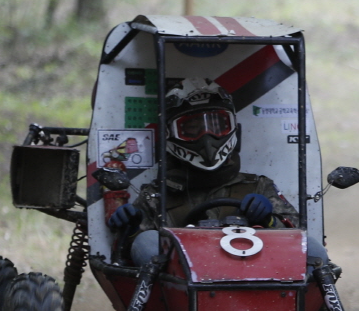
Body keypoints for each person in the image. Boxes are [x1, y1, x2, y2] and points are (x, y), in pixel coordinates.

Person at [108, 78, 322, 264]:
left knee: (312, 249)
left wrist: (269, 221)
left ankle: (314, 309)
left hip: (258, 283)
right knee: (146, 241)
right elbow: (128, 255)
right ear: (170, 135)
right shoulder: (156, 196)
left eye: (217, 126)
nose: (207, 138)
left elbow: (296, 235)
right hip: (180, 296)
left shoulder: (259, 186)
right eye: (192, 128)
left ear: (233, 129)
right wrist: (132, 228)